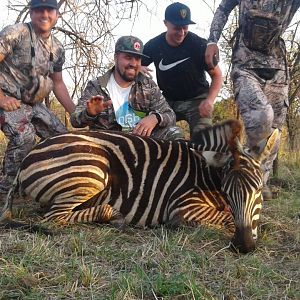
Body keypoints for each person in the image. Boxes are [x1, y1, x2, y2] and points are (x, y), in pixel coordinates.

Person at [205, 0, 300, 200]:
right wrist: (212, 40)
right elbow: (224, 7)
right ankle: (242, 174)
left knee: (274, 130)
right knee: (262, 116)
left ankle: (258, 183)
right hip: (245, 62)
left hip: (277, 65)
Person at [0, 0, 75, 195]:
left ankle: (48, 184)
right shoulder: (15, 33)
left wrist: (76, 112)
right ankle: (6, 192)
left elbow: (57, 83)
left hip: (33, 104)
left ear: (56, 14)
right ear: (31, 13)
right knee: (24, 136)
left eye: (49, 10)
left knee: (64, 139)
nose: (44, 15)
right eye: (39, 10)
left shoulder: (57, 48)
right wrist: (2, 98)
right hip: (7, 99)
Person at [70, 35, 183, 141]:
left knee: (174, 132)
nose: (133, 64)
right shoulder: (97, 86)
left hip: (141, 145)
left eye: (138, 59)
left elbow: (170, 115)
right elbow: (75, 121)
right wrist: (89, 113)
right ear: (116, 58)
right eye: (128, 57)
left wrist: (155, 118)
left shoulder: (148, 85)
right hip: (108, 146)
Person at [141, 2, 223, 137]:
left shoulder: (198, 44)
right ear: (166, 23)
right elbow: (134, 64)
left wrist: (209, 100)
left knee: (204, 144)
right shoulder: (154, 45)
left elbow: (217, 75)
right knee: (154, 133)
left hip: (198, 100)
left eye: (185, 27)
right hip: (167, 101)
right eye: (177, 28)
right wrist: (138, 67)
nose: (181, 32)